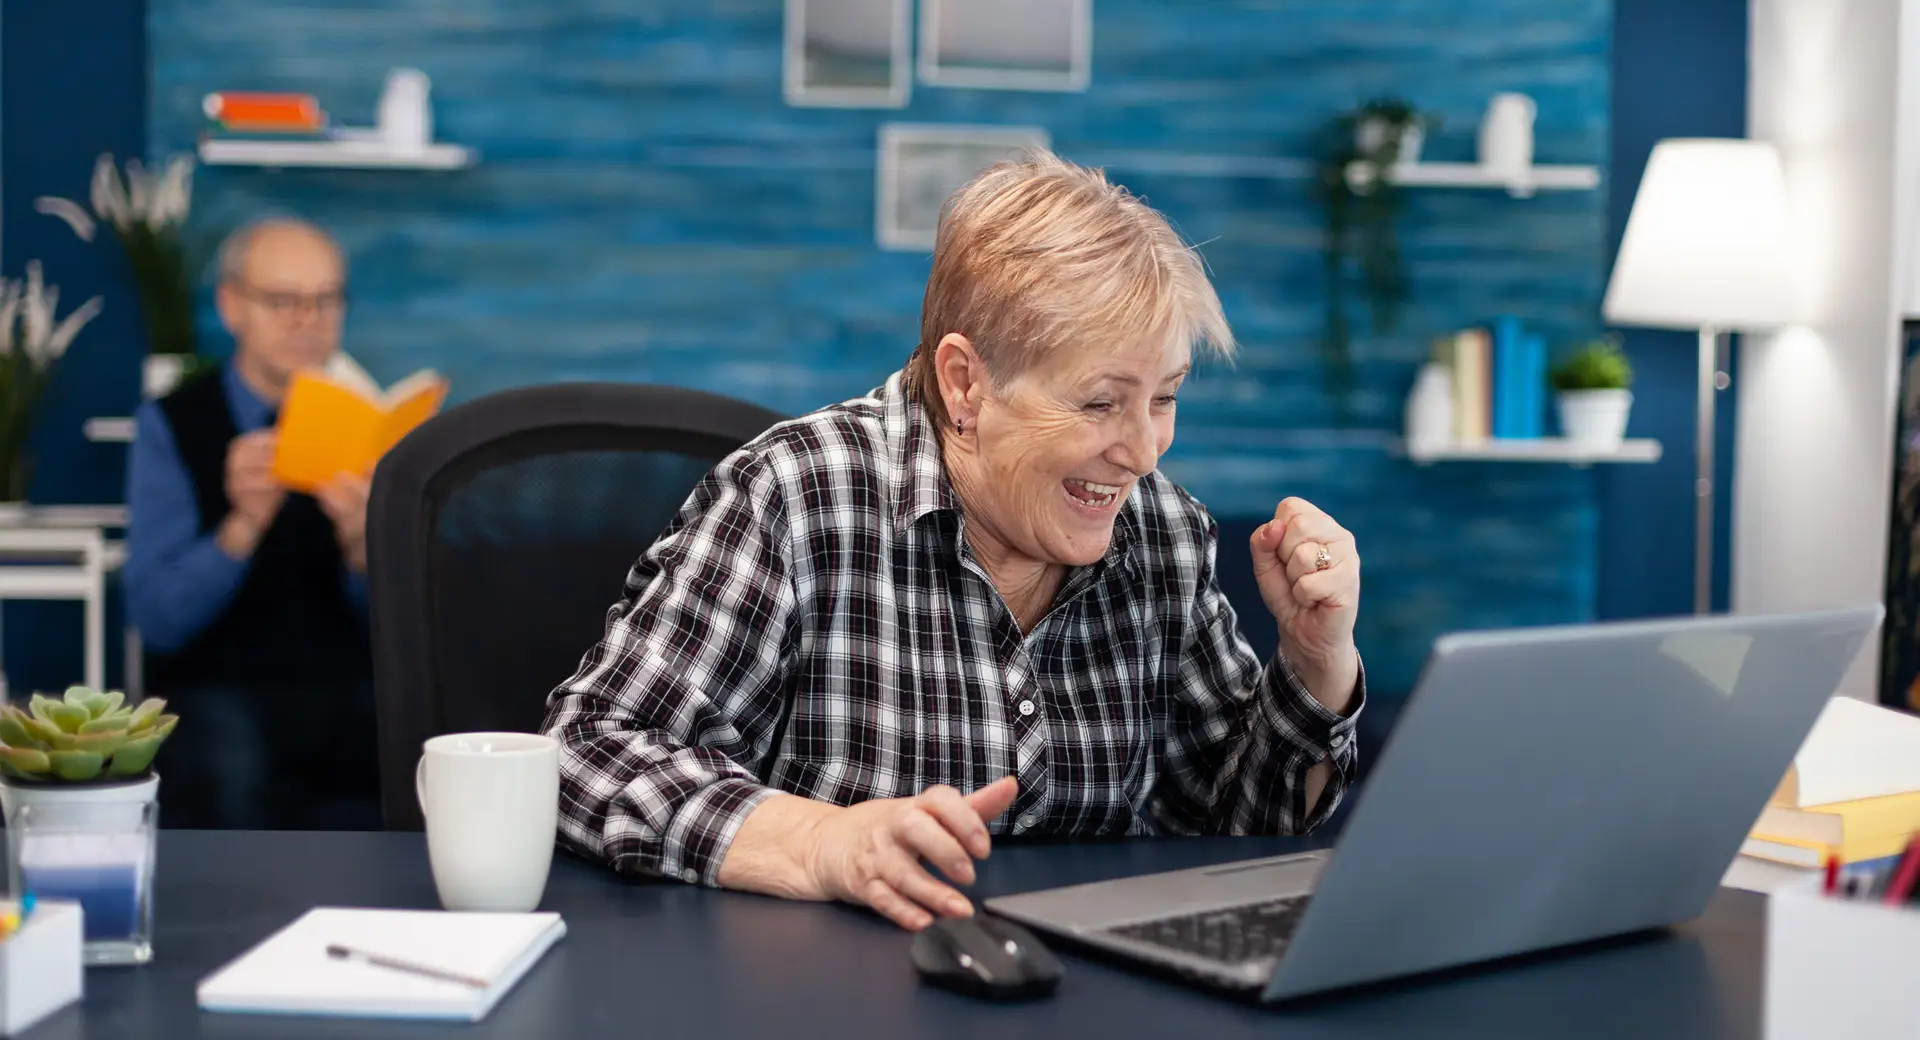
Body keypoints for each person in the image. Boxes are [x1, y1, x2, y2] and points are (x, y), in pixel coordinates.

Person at [541, 152, 1366, 931]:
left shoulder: (1164, 534)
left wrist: (1314, 662)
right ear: (966, 383)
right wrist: (824, 843)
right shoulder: (798, 497)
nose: (1144, 453)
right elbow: (583, 753)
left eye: (1166, 398)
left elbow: (1242, 828)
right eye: (1099, 403)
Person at [123, 216, 381, 830]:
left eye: (325, 301)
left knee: (417, 740)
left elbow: (401, 631)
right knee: (227, 757)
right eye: (283, 300)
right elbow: (157, 621)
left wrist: (363, 549)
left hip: (341, 688)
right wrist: (241, 526)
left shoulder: (371, 424)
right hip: (215, 689)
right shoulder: (173, 425)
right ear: (232, 306)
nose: (306, 320)